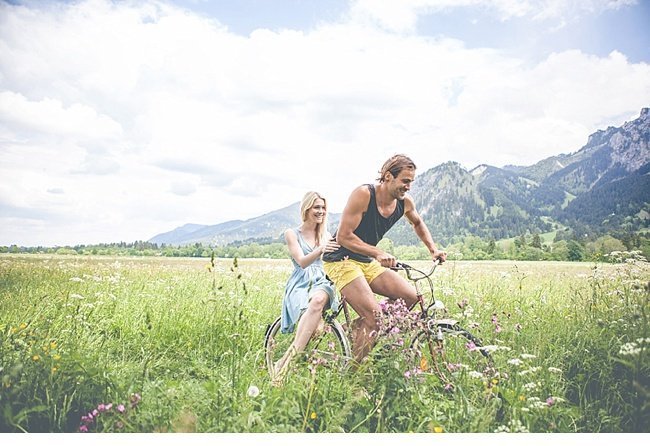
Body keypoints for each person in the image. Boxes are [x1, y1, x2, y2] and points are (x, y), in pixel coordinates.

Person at [323, 154, 447, 362]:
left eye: (411, 182)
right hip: (340, 259)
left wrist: (433, 249)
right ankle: (353, 378)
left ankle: (360, 329)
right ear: (388, 176)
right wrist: (378, 253)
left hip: (364, 261)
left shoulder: (405, 202)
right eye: (405, 181)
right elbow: (344, 236)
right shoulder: (364, 194)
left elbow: (417, 223)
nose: (408, 187)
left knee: (410, 297)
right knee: (374, 319)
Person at [273, 191, 340, 385]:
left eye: (323, 207)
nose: (321, 211)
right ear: (307, 209)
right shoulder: (292, 234)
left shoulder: (325, 234)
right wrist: (322, 248)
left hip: (322, 281)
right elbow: (302, 262)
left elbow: (331, 259)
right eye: (316, 207)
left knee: (317, 320)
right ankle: (288, 365)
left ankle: (284, 365)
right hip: (300, 283)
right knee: (315, 329)